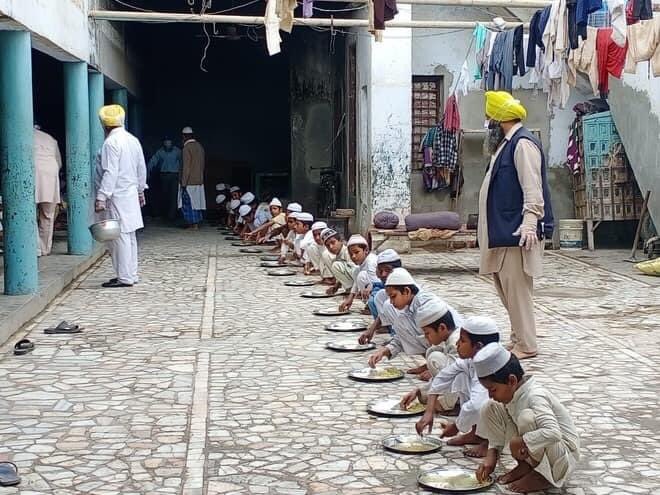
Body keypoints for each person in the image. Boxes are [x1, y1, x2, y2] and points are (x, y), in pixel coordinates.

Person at [479, 91, 554, 360]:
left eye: (488, 118)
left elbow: (533, 188)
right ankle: (517, 337)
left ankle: (527, 343)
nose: (486, 123)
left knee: (518, 290)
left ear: (498, 120)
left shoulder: (523, 144)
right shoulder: (507, 144)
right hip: (505, 230)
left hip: (519, 233)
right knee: (505, 287)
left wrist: (530, 223)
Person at [475, 343, 580, 493]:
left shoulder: (535, 396)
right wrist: (491, 456)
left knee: (526, 418)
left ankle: (543, 476)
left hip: (562, 457)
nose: (490, 394)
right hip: (540, 448)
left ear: (511, 381)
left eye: (492, 389)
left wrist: (522, 441)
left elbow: (553, 433)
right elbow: (498, 426)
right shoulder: (513, 393)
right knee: (490, 407)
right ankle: (526, 466)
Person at [415, 316, 500, 457]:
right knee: (460, 375)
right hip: (478, 404)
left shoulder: (491, 366)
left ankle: (490, 443)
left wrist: (456, 427)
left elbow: (476, 406)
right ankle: (475, 433)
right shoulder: (470, 360)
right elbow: (443, 377)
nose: (457, 344)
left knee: (484, 403)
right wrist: (429, 411)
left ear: (478, 346)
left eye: (462, 340)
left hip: (504, 417)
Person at [367, 268, 462, 378]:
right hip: (442, 340)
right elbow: (403, 334)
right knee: (397, 317)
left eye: (393, 296)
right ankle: (431, 363)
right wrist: (385, 351)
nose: (392, 302)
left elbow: (442, 335)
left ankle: (434, 364)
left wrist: (437, 372)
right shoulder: (410, 307)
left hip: (451, 341)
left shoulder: (426, 304)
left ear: (407, 291)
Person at [94, 105, 147, 288]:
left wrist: (101, 196)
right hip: (130, 193)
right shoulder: (132, 140)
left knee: (119, 237)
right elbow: (142, 168)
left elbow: (110, 172)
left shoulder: (110, 143)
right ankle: (130, 274)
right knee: (130, 236)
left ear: (104, 125)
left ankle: (124, 277)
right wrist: (141, 190)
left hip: (116, 195)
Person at [399, 298, 461, 413]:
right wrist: (419, 391)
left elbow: (454, 377)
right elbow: (442, 378)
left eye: (427, 333)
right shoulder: (451, 340)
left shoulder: (456, 343)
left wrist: (442, 404)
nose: (426, 338)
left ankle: (454, 404)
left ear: (442, 328)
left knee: (435, 358)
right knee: (432, 352)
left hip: (474, 393)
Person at [33, 126, 62, 256]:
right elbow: (59, 162)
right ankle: (45, 248)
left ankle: (36, 248)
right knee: (48, 216)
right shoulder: (51, 139)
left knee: (28, 215)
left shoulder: (23, 135)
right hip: (50, 177)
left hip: (32, 176)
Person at [339, 234, 379, 313]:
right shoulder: (359, 266)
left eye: (357, 252)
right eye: (351, 254)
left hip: (382, 290)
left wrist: (369, 288)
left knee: (362, 275)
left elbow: (376, 282)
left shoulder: (371, 261)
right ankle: (370, 304)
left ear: (366, 250)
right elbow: (356, 283)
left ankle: (374, 305)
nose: (353, 256)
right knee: (356, 271)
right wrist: (350, 298)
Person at [147, 138, 181, 221]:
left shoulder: (177, 151)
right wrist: (147, 170)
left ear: (172, 143)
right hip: (164, 175)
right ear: (163, 143)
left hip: (174, 175)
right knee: (164, 195)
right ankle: (165, 214)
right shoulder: (160, 152)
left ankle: (172, 216)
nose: (167, 144)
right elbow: (153, 161)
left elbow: (182, 162)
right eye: (166, 142)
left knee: (173, 195)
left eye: (169, 142)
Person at [179, 126, 206, 229]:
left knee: (189, 203)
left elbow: (186, 167)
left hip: (189, 181)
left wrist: (183, 182)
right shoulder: (200, 146)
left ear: (184, 136)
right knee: (197, 203)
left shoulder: (187, 148)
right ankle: (196, 223)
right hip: (199, 180)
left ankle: (192, 224)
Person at [320, 229, 355, 294]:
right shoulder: (338, 255)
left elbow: (356, 272)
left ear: (340, 241)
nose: (331, 247)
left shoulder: (347, 252)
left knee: (335, 265)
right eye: (327, 245)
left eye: (333, 242)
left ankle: (351, 289)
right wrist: (335, 287)